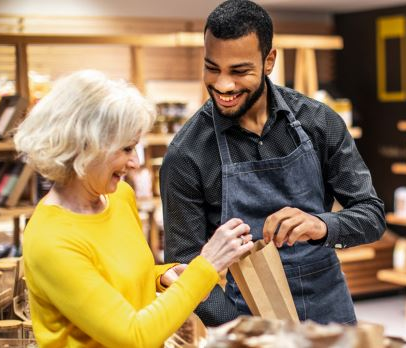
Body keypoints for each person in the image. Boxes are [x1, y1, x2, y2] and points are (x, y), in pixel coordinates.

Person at [161, 0, 386, 326]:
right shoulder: (188, 155)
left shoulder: (318, 123)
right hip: (247, 317)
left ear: (269, 61)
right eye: (212, 68)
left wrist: (321, 226)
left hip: (330, 311)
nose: (223, 85)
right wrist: (241, 327)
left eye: (239, 71)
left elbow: (371, 216)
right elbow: (184, 268)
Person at [14, 70, 254, 347]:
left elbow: (116, 283)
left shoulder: (118, 198)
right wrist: (207, 265)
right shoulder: (50, 241)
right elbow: (134, 336)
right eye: (126, 149)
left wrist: (161, 277)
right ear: (83, 148)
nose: (135, 163)